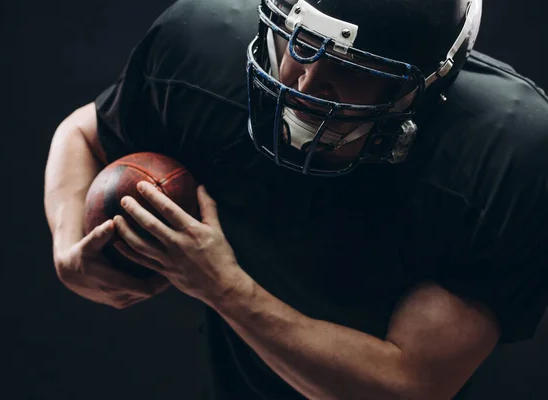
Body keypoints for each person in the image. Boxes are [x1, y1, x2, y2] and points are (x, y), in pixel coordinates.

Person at [44, 0, 548, 398]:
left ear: (428, 83)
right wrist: (68, 244)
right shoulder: (204, 46)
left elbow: (409, 387)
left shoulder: (502, 154)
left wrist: (222, 287)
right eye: (302, 43)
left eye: (351, 67)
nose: (303, 82)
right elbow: (84, 133)